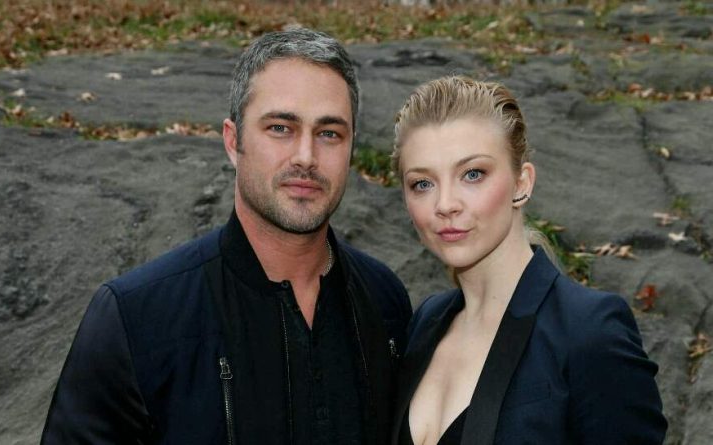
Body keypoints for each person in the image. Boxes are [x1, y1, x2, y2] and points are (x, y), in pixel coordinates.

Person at [41, 28, 412, 445]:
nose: (306, 157)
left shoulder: (385, 303)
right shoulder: (135, 320)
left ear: (350, 148)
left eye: (329, 133)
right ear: (234, 142)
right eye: (280, 127)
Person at [389, 76, 666, 445]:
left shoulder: (590, 332)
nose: (445, 204)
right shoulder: (425, 322)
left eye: (473, 174)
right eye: (422, 183)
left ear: (522, 183)